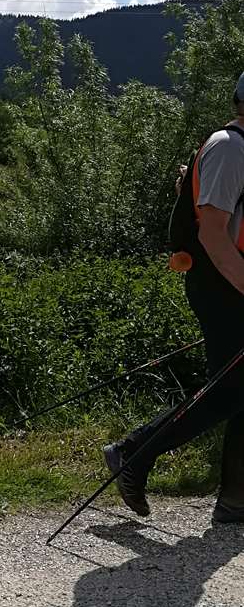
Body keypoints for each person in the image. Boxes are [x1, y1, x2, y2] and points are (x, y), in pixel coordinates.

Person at [105, 71, 244, 524]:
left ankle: (236, 499)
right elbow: (213, 233)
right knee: (227, 391)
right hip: (222, 281)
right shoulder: (229, 147)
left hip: (234, 278)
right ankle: (132, 453)